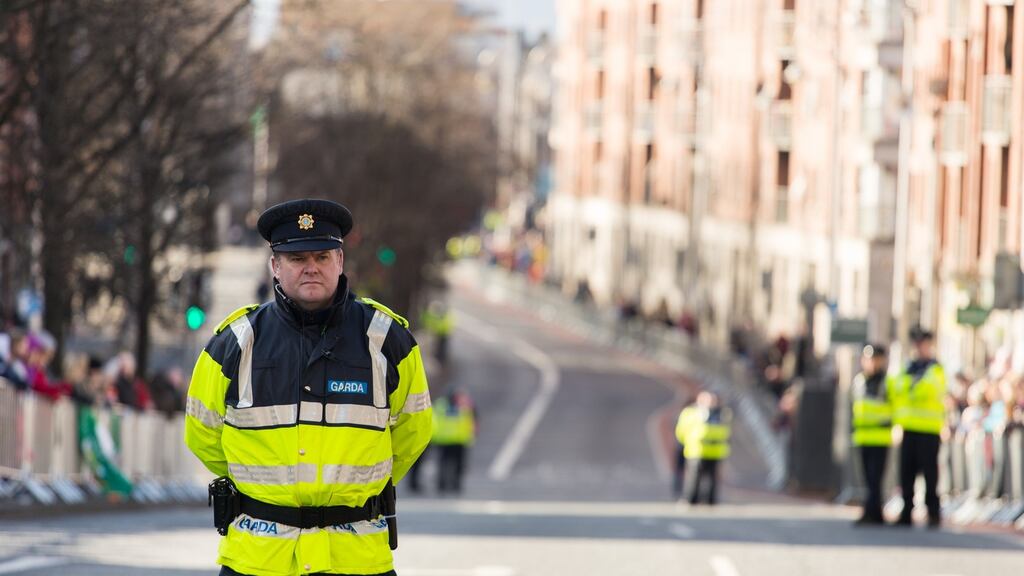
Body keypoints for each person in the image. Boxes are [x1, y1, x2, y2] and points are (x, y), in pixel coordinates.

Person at [185, 198, 433, 576]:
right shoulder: (235, 343)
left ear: (340, 261)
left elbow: (414, 431)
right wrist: (266, 488)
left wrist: (355, 485)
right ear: (275, 266)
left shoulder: (387, 340)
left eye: (322, 257)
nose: (311, 269)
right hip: (258, 561)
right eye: (298, 259)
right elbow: (201, 432)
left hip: (356, 561)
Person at [890, 327, 946, 528]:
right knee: (906, 472)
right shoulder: (908, 367)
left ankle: (933, 512)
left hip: (929, 429)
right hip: (908, 428)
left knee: (930, 473)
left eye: (923, 344)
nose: (920, 348)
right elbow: (897, 388)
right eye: (917, 344)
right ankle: (907, 511)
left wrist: (911, 386)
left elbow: (928, 390)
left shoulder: (935, 368)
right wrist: (913, 385)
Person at [850, 343, 893, 526]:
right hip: (862, 436)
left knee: (876, 477)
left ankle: (873, 512)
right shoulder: (859, 381)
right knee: (867, 477)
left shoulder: (887, 382)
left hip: (880, 436)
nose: (872, 363)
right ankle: (873, 511)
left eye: (875, 359)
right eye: (868, 359)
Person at [680, 391, 731, 505]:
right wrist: (690, 442)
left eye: (713, 400)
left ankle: (710, 501)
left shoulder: (722, 414)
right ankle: (691, 499)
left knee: (712, 479)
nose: (710, 403)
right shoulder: (691, 412)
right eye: (707, 400)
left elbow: (727, 431)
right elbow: (682, 430)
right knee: (694, 477)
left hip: (716, 451)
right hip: (697, 450)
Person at [431, 388, 476, 494]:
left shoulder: (463, 404)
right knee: (446, 463)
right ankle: (445, 484)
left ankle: (452, 484)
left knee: (454, 464)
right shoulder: (463, 404)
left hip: (455, 439)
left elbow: (472, 419)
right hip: (448, 440)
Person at [672, 398, 697, 500]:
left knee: (691, 473)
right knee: (681, 471)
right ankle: (680, 492)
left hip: (693, 448)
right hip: (686, 446)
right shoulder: (688, 414)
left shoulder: (696, 415)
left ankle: (688, 494)